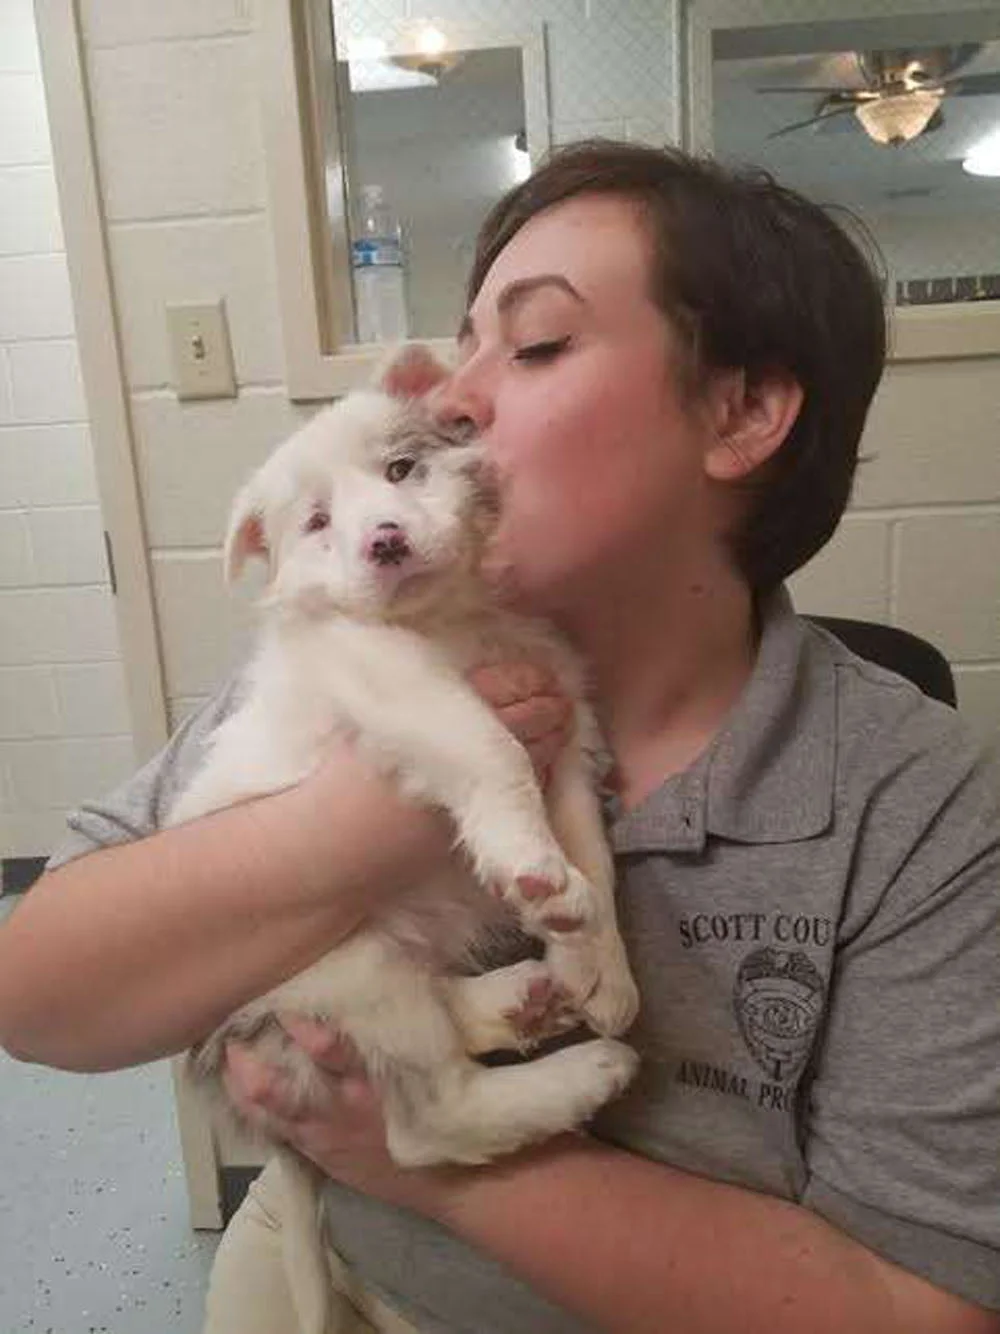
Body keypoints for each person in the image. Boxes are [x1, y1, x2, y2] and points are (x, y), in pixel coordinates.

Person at [1, 140, 998, 1334]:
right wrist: (347, 828)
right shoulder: (366, 646)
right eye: (464, 342)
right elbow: (35, 996)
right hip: (324, 1260)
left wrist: (414, 1158)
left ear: (740, 412)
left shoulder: (919, 806)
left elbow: (925, 1304)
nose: (451, 397)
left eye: (532, 345)